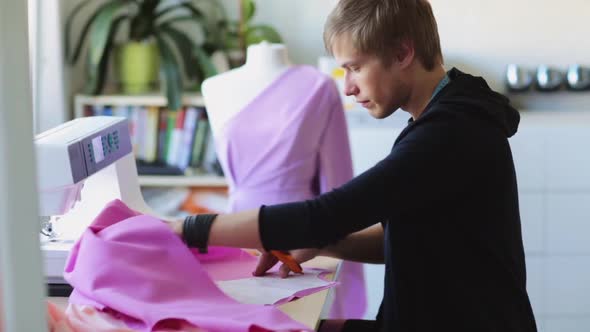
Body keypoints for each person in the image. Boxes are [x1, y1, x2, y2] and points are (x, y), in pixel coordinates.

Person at [167, 0, 538, 331]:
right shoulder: (445, 118)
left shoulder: (449, 133)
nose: (348, 87)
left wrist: (185, 229)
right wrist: (322, 243)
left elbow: (327, 213)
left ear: (403, 52)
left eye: (355, 68)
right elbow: (413, 239)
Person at [202, 41, 367, 318]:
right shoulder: (214, 87)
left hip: (300, 231)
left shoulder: (319, 87)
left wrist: (331, 237)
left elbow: (337, 179)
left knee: (300, 315)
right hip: (237, 228)